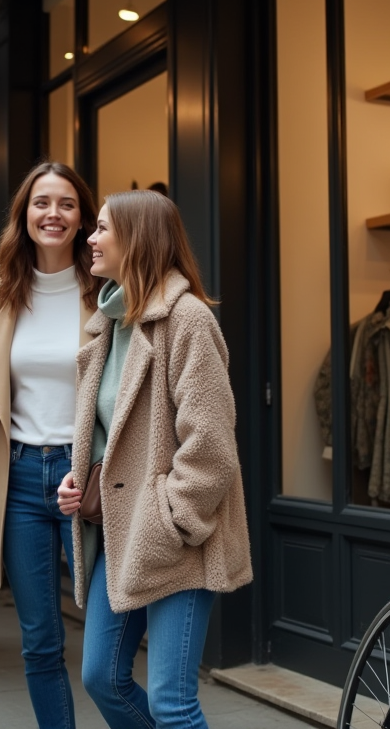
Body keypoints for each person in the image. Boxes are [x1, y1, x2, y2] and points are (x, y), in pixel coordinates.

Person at [57, 189, 253, 729]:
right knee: (102, 677)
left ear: (136, 238)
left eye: (100, 229)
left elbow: (212, 444)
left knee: (172, 703)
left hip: (174, 539)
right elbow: (106, 434)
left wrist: (172, 520)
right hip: (119, 531)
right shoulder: (108, 324)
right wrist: (79, 480)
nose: (89, 239)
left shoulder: (186, 320)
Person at [0, 161, 99, 728]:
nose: (52, 214)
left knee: (107, 650)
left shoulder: (105, 294)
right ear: (24, 215)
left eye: (66, 204)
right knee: (40, 641)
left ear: (83, 218)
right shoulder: (1, 296)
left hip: (92, 480)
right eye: (40, 203)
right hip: (25, 477)